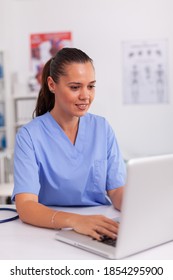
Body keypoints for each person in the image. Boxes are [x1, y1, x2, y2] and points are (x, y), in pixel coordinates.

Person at [12, 47, 126, 241]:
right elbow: (26, 206)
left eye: (90, 86)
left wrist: (143, 210)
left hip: (99, 224)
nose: (85, 96)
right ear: (52, 84)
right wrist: (76, 221)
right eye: (75, 87)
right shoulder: (29, 135)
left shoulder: (102, 128)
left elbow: (116, 190)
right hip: (48, 228)